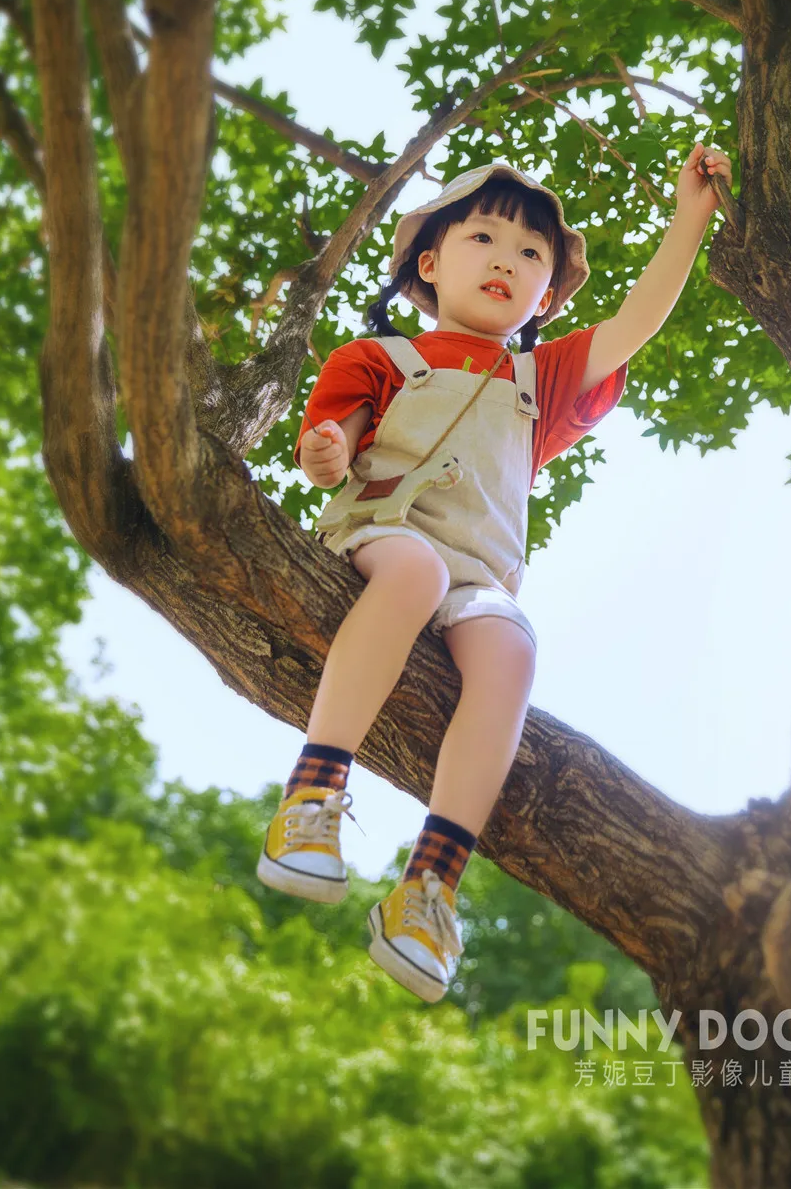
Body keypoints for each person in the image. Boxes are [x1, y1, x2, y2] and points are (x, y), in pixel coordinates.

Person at [257, 145, 730, 1005]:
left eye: (531, 255)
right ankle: (313, 793)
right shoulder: (379, 358)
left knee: (512, 651)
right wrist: (327, 454)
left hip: (477, 577)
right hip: (385, 534)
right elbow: (333, 450)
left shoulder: (537, 380)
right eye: (484, 239)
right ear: (428, 265)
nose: (508, 261)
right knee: (411, 577)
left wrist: (689, 216)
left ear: (546, 294)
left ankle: (430, 885)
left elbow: (635, 322)